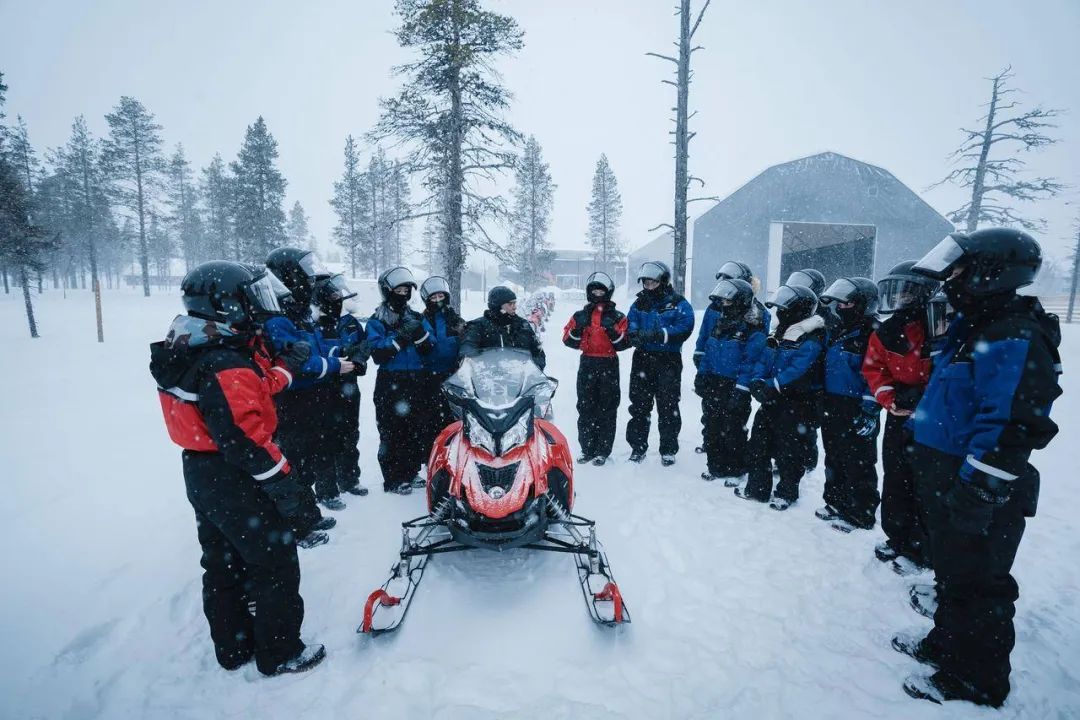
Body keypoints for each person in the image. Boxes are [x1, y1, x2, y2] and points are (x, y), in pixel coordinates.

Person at [893, 228, 1062, 708]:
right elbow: (953, 395)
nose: (950, 281)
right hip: (945, 471)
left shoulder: (1014, 334)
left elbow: (1012, 423)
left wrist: (980, 489)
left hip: (976, 482)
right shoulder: (977, 324)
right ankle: (947, 645)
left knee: (979, 582)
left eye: (959, 271)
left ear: (990, 273)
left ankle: (976, 678)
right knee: (952, 572)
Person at [149, 261, 326, 676]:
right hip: (235, 475)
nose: (260, 307)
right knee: (275, 562)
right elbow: (247, 440)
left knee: (223, 560)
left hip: (202, 469)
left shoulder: (193, 345)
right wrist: (289, 488)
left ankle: (233, 647)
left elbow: (248, 393)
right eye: (252, 299)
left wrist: (283, 369)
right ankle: (280, 652)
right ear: (228, 304)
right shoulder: (224, 361)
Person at [862, 261, 941, 571]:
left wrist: (924, 396)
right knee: (896, 478)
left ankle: (921, 547)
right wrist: (890, 398)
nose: (900, 299)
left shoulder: (939, 324)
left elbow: (947, 367)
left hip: (930, 418)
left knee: (924, 483)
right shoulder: (888, 329)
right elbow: (874, 367)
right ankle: (897, 536)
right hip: (898, 414)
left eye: (907, 292)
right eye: (898, 292)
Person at [265, 247, 354, 518]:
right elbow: (297, 362)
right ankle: (298, 519)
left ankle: (314, 506)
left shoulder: (300, 312)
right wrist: (335, 365)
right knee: (296, 458)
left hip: (316, 394)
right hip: (293, 399)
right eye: (306, 273)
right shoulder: (278, 317)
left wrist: (337, 354)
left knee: (322, 447)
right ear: (290, 276)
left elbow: (313, 349)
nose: (311, 279)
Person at [738, 284, 826, 509]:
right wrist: (758, 381)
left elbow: (800, 369)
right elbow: (763, 359)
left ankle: (787, 492)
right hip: (771, 398)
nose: (780, 312)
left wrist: (773, 385)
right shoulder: (778, 331)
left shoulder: (811, 337)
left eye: (785, 308)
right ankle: (757, 487)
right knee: (758, 443)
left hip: (795, 401)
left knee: (789, 449)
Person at [814, 277, 881, 531]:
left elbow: (877, 372)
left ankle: (861, 511)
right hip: (833, 401)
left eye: (848, 303)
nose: (842, 308)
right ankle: (835, 501)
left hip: (857, 403)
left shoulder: (872, 332)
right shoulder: (837, 328)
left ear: (863, 304)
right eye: (840, 303)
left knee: (859, 459)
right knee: (834, 454)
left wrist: (870, 408)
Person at [365, 266, 433, 495]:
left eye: (407, 290)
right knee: (391, 429)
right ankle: (393, 478)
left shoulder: (415, 317)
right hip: (390, 380)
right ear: (388, 291)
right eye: (399, 289)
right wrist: (401, 336)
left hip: (415, 378)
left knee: (415, 427)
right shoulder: (377, 320)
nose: (404, 294)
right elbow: (378, 353)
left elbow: (428, 347)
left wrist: (419, 334)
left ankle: (411, 470)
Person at [693, 278, 767, 483]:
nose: (723, 306)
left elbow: (750, 361)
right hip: (715, 381)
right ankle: (715, 465)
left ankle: (735, 468)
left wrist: (741, 388)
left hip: (735, 385)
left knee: (733, 428)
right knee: (713, 425)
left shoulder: (753, 328)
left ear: (740, 301)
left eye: (727, 302)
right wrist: (702, 374)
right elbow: (710, 350)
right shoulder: (720, 323)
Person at [625, 261, 695, 465]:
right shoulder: (639, 303)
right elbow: (632, 320)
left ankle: (668, 448)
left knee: (668, 405)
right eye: (645, 283)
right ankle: (638, 447)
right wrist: (634, 334)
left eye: (652, 282)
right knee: (639, 405)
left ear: (663, 281)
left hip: (668, 360)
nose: (648, 286)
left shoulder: (677, 302)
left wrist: (660, 335)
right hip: (643, 359)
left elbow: (685, 326)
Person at [562, 271, 631, 466]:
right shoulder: (580, 315)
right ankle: (587, 448)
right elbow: (568, 340)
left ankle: (603, 449)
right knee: (585, 406)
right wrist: (576, 331)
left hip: (608, 363)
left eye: (602, 291)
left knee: (607, 407)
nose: (598, 294)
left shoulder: (618, 316)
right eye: (595, 290)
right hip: (588, 363)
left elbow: (625, 343)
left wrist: (612, 331)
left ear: (608, 292)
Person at [311, 273, 370, 499]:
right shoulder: (314, 323)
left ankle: (349, 478)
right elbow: (310, 353)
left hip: (349, 385)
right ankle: (326, 489)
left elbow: (364, 344)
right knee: (325, 437)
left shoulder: (349, 322)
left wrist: (358, 359)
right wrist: (334, 361)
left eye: (338, 293)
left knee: (349, 433)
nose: (338, 298)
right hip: (323, 387)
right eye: (333, 294)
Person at [418, 275, 465, 462]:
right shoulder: (422, 319)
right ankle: (431, 457)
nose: (438, 301)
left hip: (453, 375)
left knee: (454, 417)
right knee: (430, 419)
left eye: (441, 296)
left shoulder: (454, 318)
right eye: (433, 298)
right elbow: (424, 345)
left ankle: (454, 456)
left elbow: (467, 340)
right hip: (428, 376)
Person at [460, 286, 547, 368]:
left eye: (515, 303)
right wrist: (481, 365)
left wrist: (531, 368)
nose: (515, 307)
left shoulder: (523, 325)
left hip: (520, 380)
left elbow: (538, 353)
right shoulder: (477, 326)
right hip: (488, 380)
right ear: (497, 306)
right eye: (510, 304)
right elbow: (467, 352)